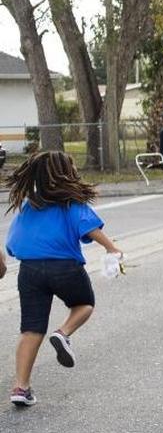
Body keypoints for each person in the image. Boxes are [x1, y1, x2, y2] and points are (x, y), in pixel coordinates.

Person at [4, 152, 123, 407]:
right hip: (64, 267)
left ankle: (20, 387)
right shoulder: (71, 202)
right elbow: (92, 229)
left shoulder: (29, 205)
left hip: (30, 271)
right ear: (66, 172)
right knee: (84, 303)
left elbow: (12, 244)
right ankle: (63, 333)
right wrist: (112, 249)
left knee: (31, 328)